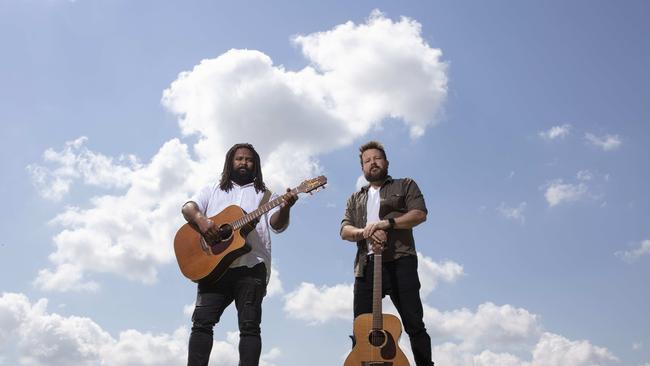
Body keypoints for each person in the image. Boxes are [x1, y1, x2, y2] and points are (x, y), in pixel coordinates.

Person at [182, 143, 297, 366]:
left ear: (256, 165)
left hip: (252, 266)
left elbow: (277, 225)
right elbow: (188, 208)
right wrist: (203, 222)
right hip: (214, 268)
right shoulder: (212, 189)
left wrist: (286, 207)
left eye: (249, 159)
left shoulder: (265, 195)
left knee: (250, 326)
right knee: (201, 323)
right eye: (239, 159)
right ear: (230, 162)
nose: (244, 163)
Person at [340, 140, 434, 366]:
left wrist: (386, 224)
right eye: (367, 161)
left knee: (414, 324)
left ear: (386, 162)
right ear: (362, 167)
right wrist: (366, 231)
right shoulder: (355, 198)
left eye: (377, 158)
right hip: (366, 265)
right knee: (361, 328)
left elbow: (419, 214)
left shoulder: (405, 185)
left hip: (401, 261)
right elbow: (344, 230)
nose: (372, 163)